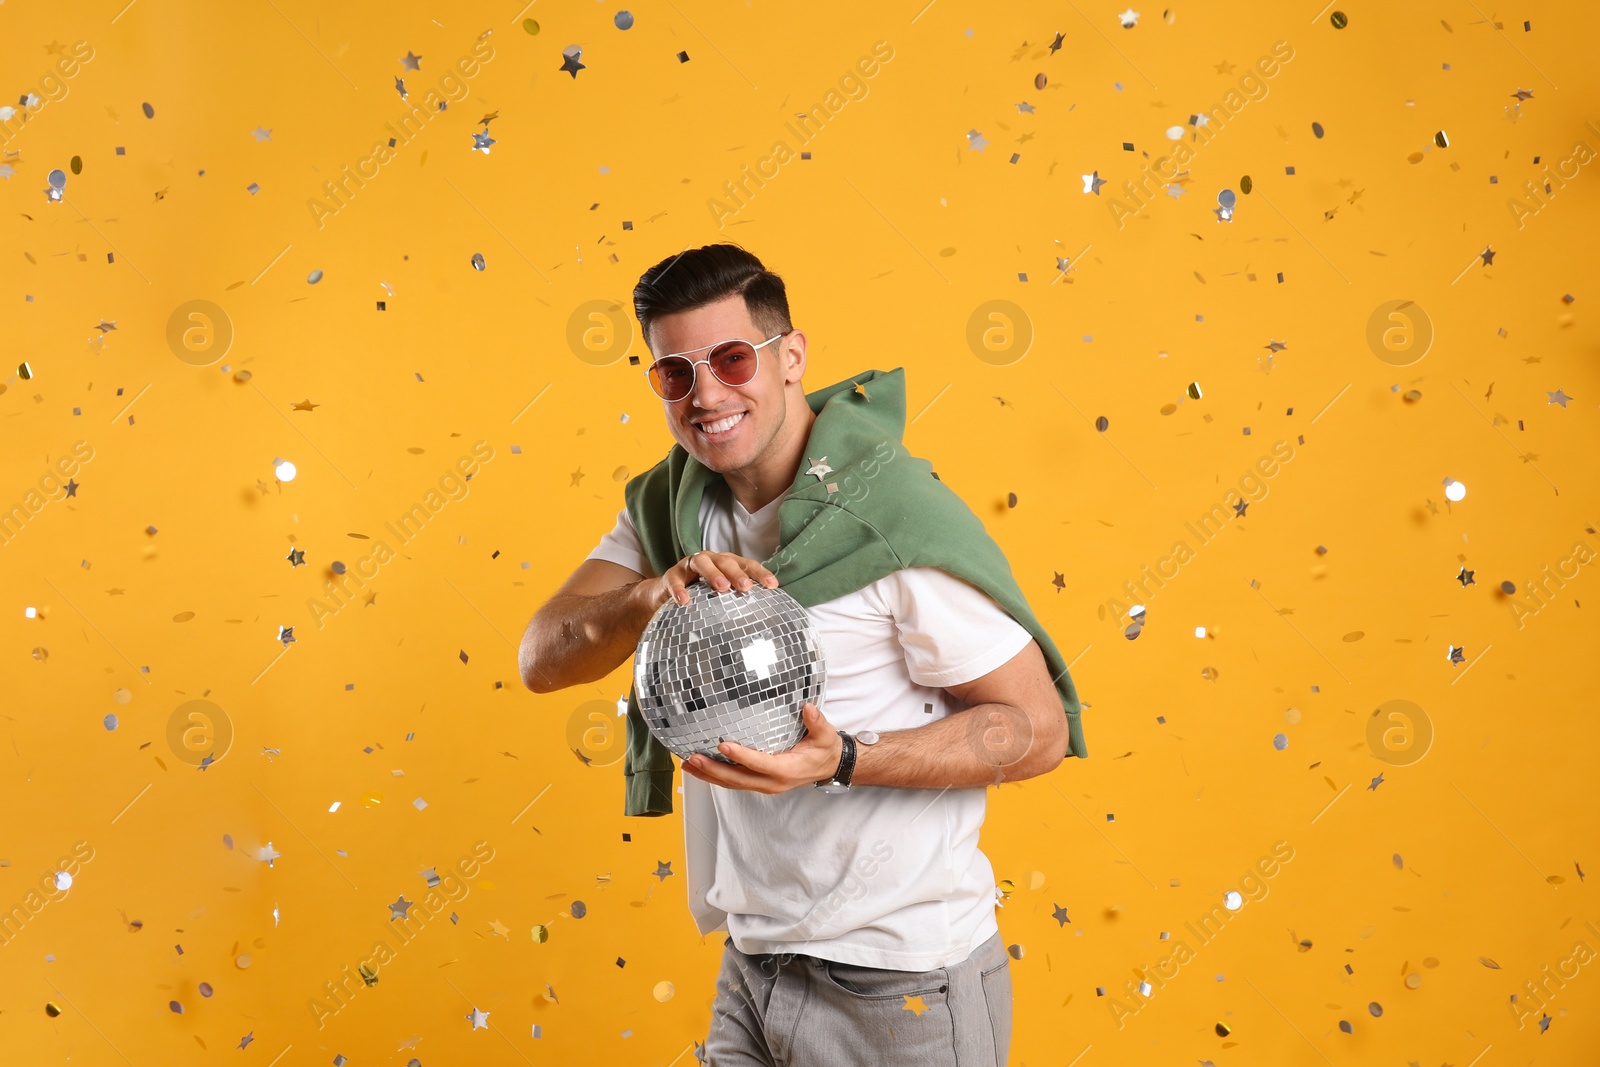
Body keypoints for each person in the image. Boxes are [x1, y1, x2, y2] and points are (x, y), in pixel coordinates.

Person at [518, 243, 1087, 1066]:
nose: (706, 394)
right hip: (755, 965)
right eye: (674, 373)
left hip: (901, 983)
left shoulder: (890, 520)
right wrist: (648, 596)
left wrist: (846, 757)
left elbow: (1036, 731)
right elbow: (544, 657)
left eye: (732, 358)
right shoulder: (675, 509)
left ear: (791, 357)